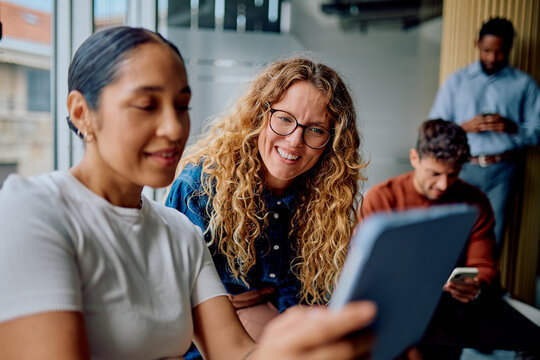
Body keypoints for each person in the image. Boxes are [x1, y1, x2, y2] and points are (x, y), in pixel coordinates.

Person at [0, 26, 378, 360]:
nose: (173, 127)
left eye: (181, 106)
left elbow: (236, 353)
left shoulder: (179, 232)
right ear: (82, 113)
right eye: (147, 105)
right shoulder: (32, 208)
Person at [165, 56, 366, 358]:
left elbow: (309, 299)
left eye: (315, 130)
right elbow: (171, 300)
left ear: (332, 141)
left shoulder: (327, 198)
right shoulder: (200, 187)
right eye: (284, 118)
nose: (295, 141)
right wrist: (213, 302)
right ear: (260, 114)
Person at [429, 17, 540, 246]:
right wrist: (462, 128)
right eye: (487, 50)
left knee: (492, 240)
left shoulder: (525, 84)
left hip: (503, 170)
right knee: (453, 236)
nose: (492, 57)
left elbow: (537, 133)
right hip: (461, 168)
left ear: (509, 48)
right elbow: (434, 129)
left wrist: (513, 128)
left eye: (499, 52)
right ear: (477, 43)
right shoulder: (456, 82)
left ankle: (482, 283)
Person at [360, 119, 497, 303]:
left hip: (451, 303)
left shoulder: (476, 202)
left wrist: (475, 284)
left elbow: (483, 265)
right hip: (390, 298)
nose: (443, 185)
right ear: (414, 158)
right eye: (434, 173)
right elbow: (363, 265)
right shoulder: (381, 198)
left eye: (452, 175)